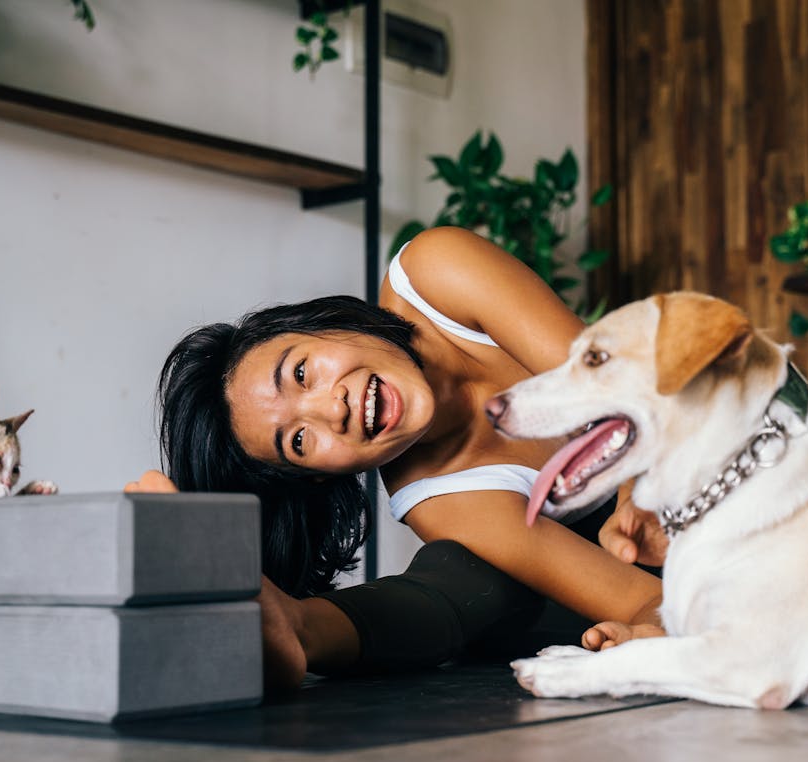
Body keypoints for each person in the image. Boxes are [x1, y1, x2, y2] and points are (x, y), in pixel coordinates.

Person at [127, 226, 667, 689]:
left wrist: (634, 489)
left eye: (300, 372)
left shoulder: (435, 276)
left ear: (322, 324)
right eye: (298, 441)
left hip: (715, 440)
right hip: (673, 560)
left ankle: (301, 627)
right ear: (320, 477)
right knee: (470, 575)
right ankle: (296, 628)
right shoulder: (440, 500)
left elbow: (627, 392)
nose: (330, 409)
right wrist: (644, 635)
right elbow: (641, 600)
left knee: (478, 576)